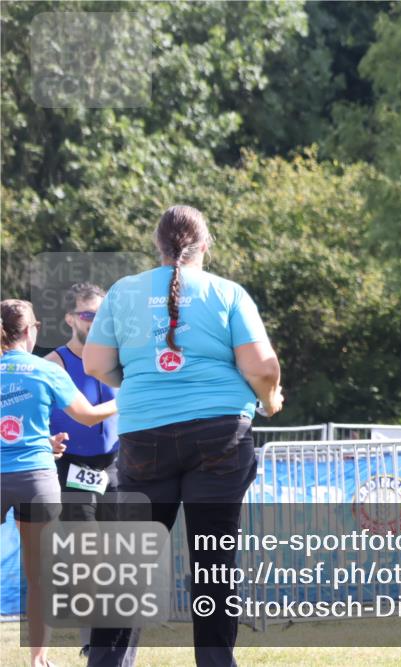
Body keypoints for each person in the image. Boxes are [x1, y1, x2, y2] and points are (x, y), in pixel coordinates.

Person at [83, 205, 283, 667]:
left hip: (144, 434)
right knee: (213, 563)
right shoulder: (227, 292)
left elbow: (95, 365)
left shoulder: (122, 292)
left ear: (157, 245)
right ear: (206, 245)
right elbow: (263, 366)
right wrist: (270, 401)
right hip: (220, 433)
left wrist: (143, 383)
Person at [1, 299, 117, 667]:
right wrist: (128, 399)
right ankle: (38, 659)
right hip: (37, 477)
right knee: (39, 577)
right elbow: (88, 417)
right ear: (32, 330)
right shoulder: (45, 369)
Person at [45, 283, 121, 521]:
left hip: (116, 465)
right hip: (72, 466)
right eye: (88, 314)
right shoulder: (53, 364)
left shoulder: (122, 357)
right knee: (85, 550)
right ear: (70, 319)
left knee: (118, 549)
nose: (96, 321)